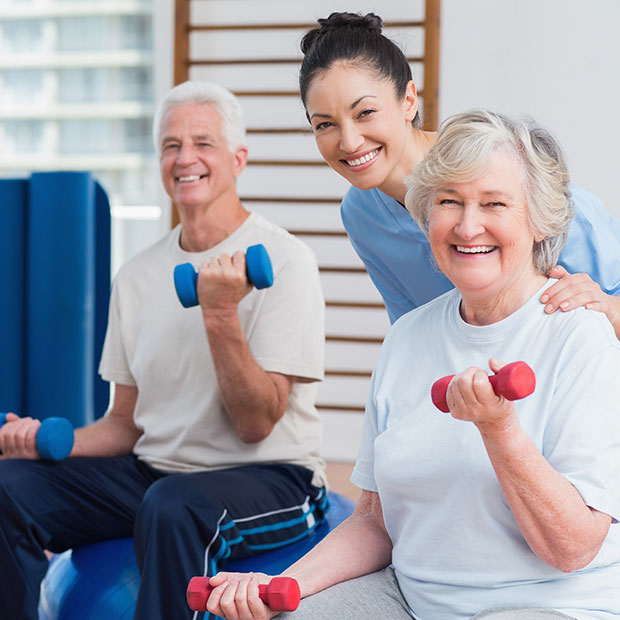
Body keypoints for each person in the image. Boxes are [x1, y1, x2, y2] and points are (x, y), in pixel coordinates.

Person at [203, 111, 620, 620]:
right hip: (410, 599)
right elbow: (377, 523)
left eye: (494, 204)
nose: (468, 226)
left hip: (542, 604)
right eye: (449, 202)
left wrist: (499, 429)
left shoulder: (578, 333)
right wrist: (280, 585)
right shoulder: (408, 337)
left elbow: (572, 548)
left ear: (538, 221)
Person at [0, 81, 328, 620]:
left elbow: (256, 424)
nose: (185, 158)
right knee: (8, 488)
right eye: (171, 145)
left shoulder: (286, 262)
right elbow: (124, 424)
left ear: (238, 159)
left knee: (173, 509)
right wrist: (45, 444)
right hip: (154, 473)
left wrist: (220, 312)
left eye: (203, 142)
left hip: (273, 475)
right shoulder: (136, 276)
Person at [298, 12, 620, 335]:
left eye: (365, 112)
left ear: (409, 100)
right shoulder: (361, 216)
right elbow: (416, 336)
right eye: (325, 124)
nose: (350, 142)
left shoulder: (496, 162)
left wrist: (610, 310)